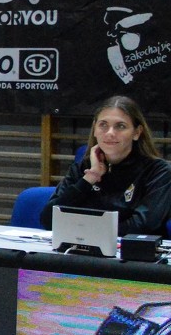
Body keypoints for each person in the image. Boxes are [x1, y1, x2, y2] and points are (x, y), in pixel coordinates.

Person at [42, 95, 171, 235]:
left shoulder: (158, 171)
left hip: (132, 248)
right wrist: (90, 178)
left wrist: (86, 230)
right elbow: (49, 219)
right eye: (103, 125)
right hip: (84, 245)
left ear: (137, 132)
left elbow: (144, 225)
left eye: (120, 126)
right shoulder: (83, 167)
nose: (110, 133)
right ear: (95, 129)